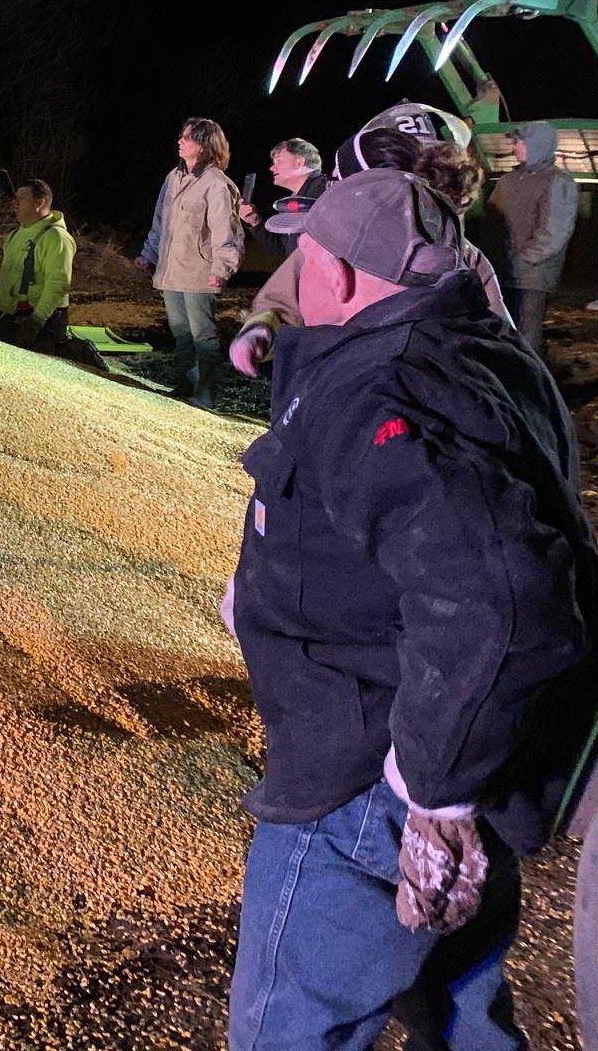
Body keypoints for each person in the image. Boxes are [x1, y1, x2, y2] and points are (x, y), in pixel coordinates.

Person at [223, 167, 598, 1051]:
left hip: (368, 775)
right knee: (457, 1002)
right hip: (466, 752)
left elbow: (496, 600)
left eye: (304, 251)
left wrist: (431, 789)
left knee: (288, 1025)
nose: (295, 268)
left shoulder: (384, 390)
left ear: (344, 273)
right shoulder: (484, 349)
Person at [232, 124, 509, 377]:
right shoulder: (331, 237)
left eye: (340, 179)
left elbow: (496, 340)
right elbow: (282, 296)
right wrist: (261, 328)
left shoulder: (461, 253)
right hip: (336, 379)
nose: (333, 187)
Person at [147, 117, 242, 408]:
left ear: (203, 145)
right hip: (172, 269)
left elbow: (226, 229)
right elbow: (160, 220)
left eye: (187, 137)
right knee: (181, 331)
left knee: (203, 334)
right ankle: (186, 384)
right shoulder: (173, 177)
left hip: (199, 270)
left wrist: (221, 268)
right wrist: (149, 253)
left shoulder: (215, 183)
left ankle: (206, 392)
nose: (180, 141)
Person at [488, 120, 578, 355]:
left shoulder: (558, 181)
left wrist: (523, 260)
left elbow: (555, 232)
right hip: (501, 271)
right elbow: (490, 222)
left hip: (532, 276)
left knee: (527, 335)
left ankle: (527, 382)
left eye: (520, 142)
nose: (515, 147)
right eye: (516, 142)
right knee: (500, 330)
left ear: (538, 145)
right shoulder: (507, 181)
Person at [0, 179, 83, 355]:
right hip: (13, 316)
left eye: (22, 198)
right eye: (16, 197)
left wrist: (36, 321)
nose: (15, 203)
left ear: (40, 203)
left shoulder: (57, 238)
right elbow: (6, 278)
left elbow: (58, 284)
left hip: (42, 323)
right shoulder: (15, 235)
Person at [239, 138, 325, 258]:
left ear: (299, 162)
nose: (272, 168)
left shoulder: (325, 191)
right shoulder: (292, 202)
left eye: (279, 161)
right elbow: (284, 250)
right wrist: (255, 222)